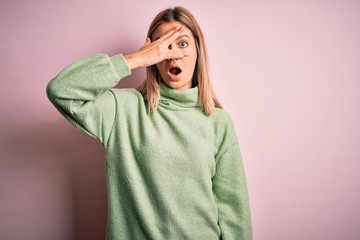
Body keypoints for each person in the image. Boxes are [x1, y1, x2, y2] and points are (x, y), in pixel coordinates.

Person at [47, 6, 252, 240]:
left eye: (183, 44)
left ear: (198, 51)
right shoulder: (123, 110)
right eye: (163, 45)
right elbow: (60, 90)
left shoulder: (219, 122)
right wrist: (135, 59)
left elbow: (234, 213)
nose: (173, 54)